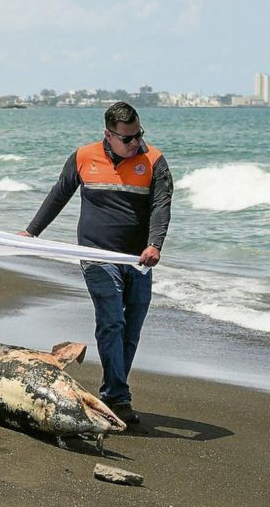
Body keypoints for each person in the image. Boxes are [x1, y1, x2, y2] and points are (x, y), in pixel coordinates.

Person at [19, 101, 173, 424]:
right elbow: (59, 195)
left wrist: (154, 244)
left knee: (131, 328)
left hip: (138, 259)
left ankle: (113, 392)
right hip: (96, 256)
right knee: (112, 320)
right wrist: (32, 232)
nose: (136, 143)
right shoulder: (83, 157)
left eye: (139, 135)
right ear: (108, 135)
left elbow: (161, 206)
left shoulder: (154, 161)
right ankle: (119, 396)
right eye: (127, 138)